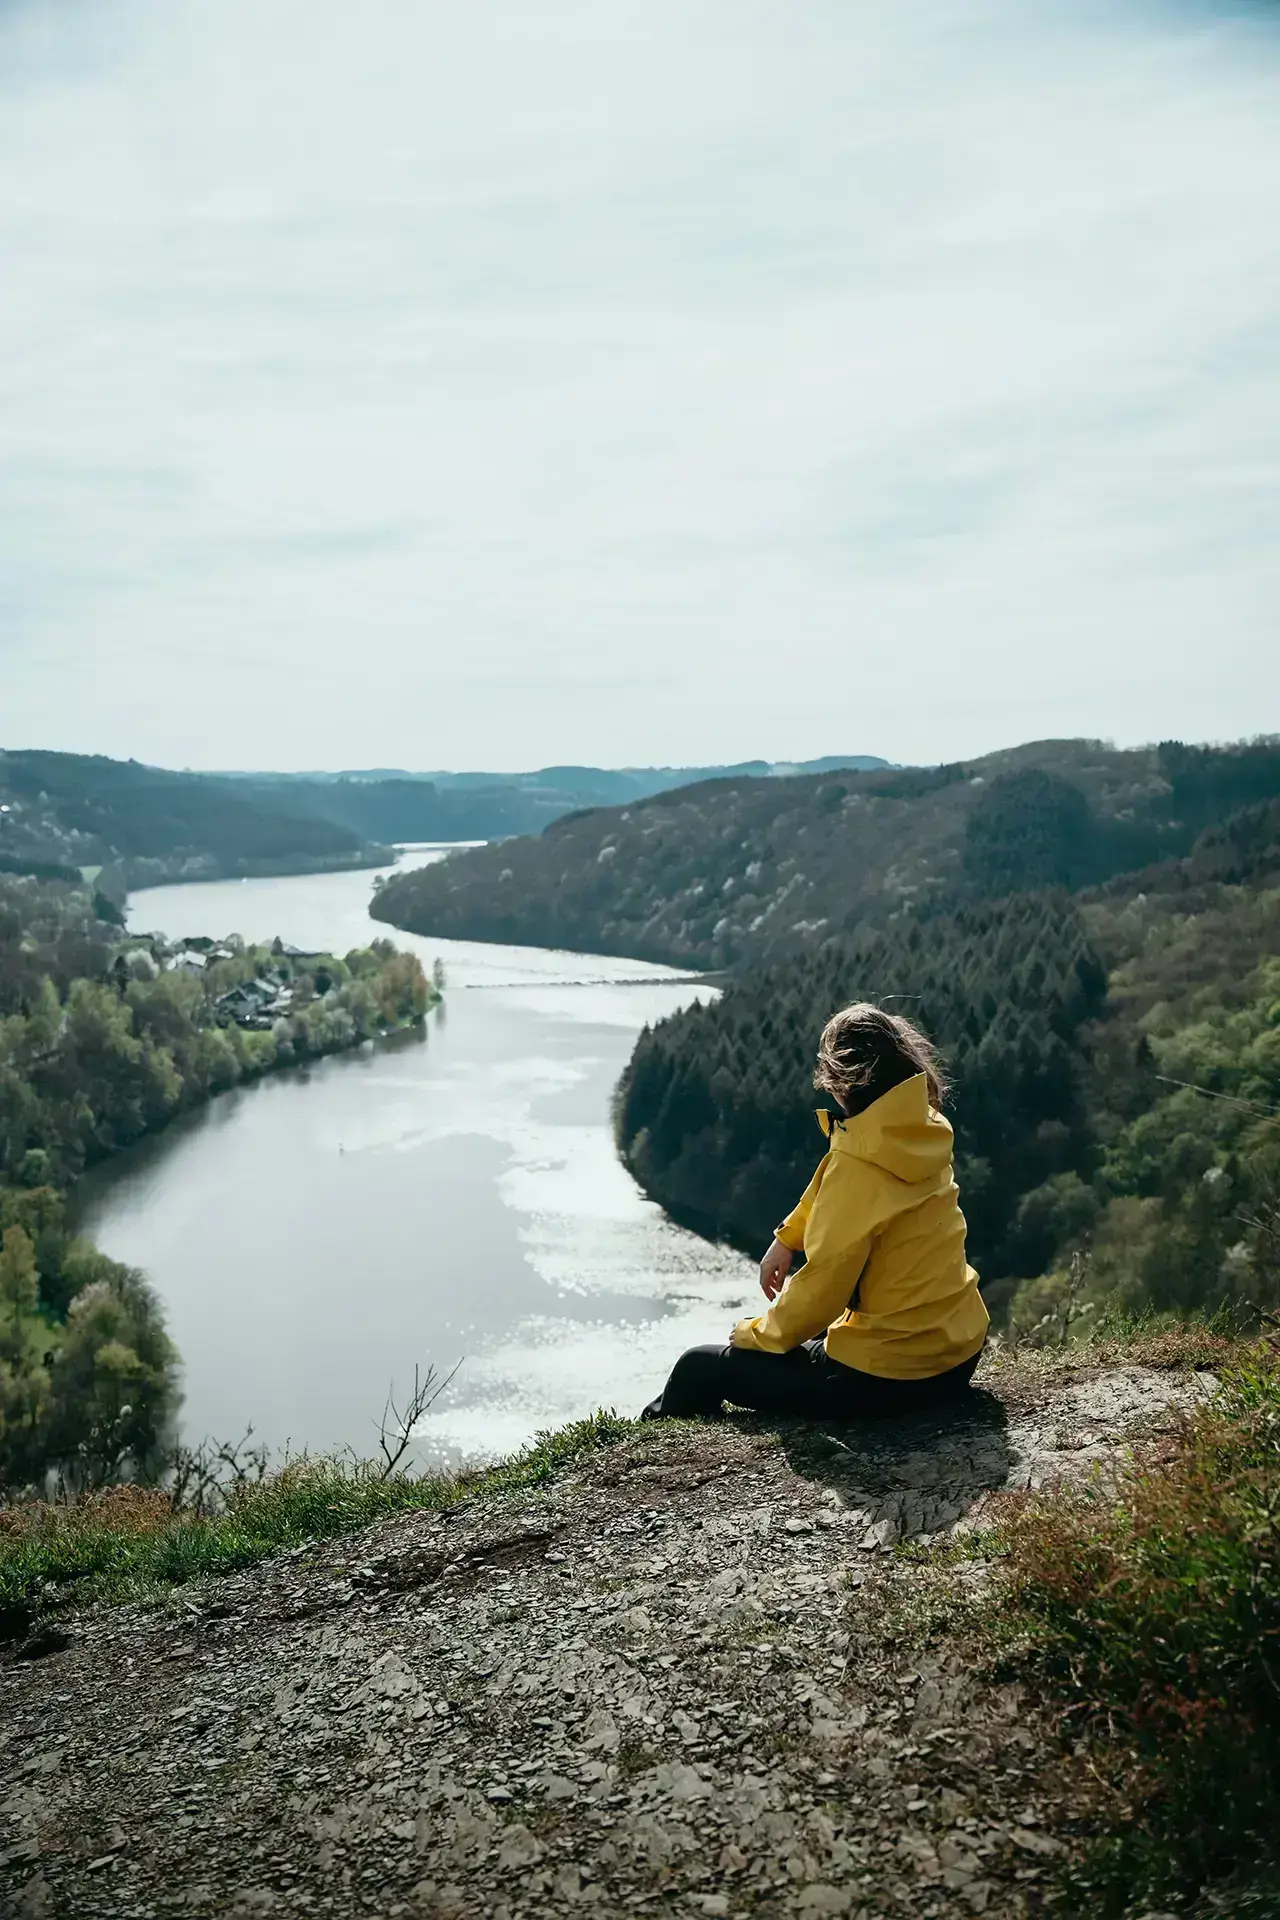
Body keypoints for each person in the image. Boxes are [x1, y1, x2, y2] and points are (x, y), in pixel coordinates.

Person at [641, 1003, 988, 1421]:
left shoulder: (859, 1162)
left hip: (890, 1379)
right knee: (822, 1335)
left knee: (696, 1366)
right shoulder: (918, 1128)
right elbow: (841, 1192)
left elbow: (823, 1292)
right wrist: (788, 1237)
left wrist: (754, 1332)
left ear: (838, 1079)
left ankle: (654, 1464)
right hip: (959, 1351)